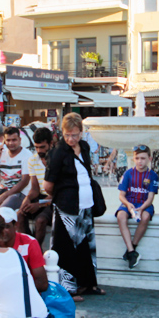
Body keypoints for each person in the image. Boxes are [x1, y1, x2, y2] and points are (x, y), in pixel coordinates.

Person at [44, 112, 103, 299]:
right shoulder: (58, 152)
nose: (71, 138)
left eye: (75, 135)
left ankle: (88, 284)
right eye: (68, 134)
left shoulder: (84, 147)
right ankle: (67, 289)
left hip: (86, 205)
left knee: (87, 246)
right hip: (66, 207)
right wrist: (62, 197)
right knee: (66, 248)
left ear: (81, 133)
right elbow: (48, 185)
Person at [115, 144, 159, 269]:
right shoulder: (128, 173)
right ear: (133, 159)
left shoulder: (153, 176)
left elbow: (150, 198)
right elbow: (121, 195)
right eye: (137, 158)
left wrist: (141, 208)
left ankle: (132, 248)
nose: (140, 161)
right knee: (120, 216)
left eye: (143, 158)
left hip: (144, 204)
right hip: (129, 202)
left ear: (149, 159)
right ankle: (131, 252)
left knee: (145, 217)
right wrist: (128, 205)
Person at [18, 127, 54, 246]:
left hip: (54, 199)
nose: (39, 150)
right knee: (20, 214)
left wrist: (39, 204)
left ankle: (35, 251)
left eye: (42, 147)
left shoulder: (57, 159)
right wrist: (27, 199)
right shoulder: (33, 160)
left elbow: (57, 194)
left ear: (50, 144)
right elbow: (34, 189)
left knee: (40, 220)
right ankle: (26, 247)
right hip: (41, 197)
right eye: (36, 147)